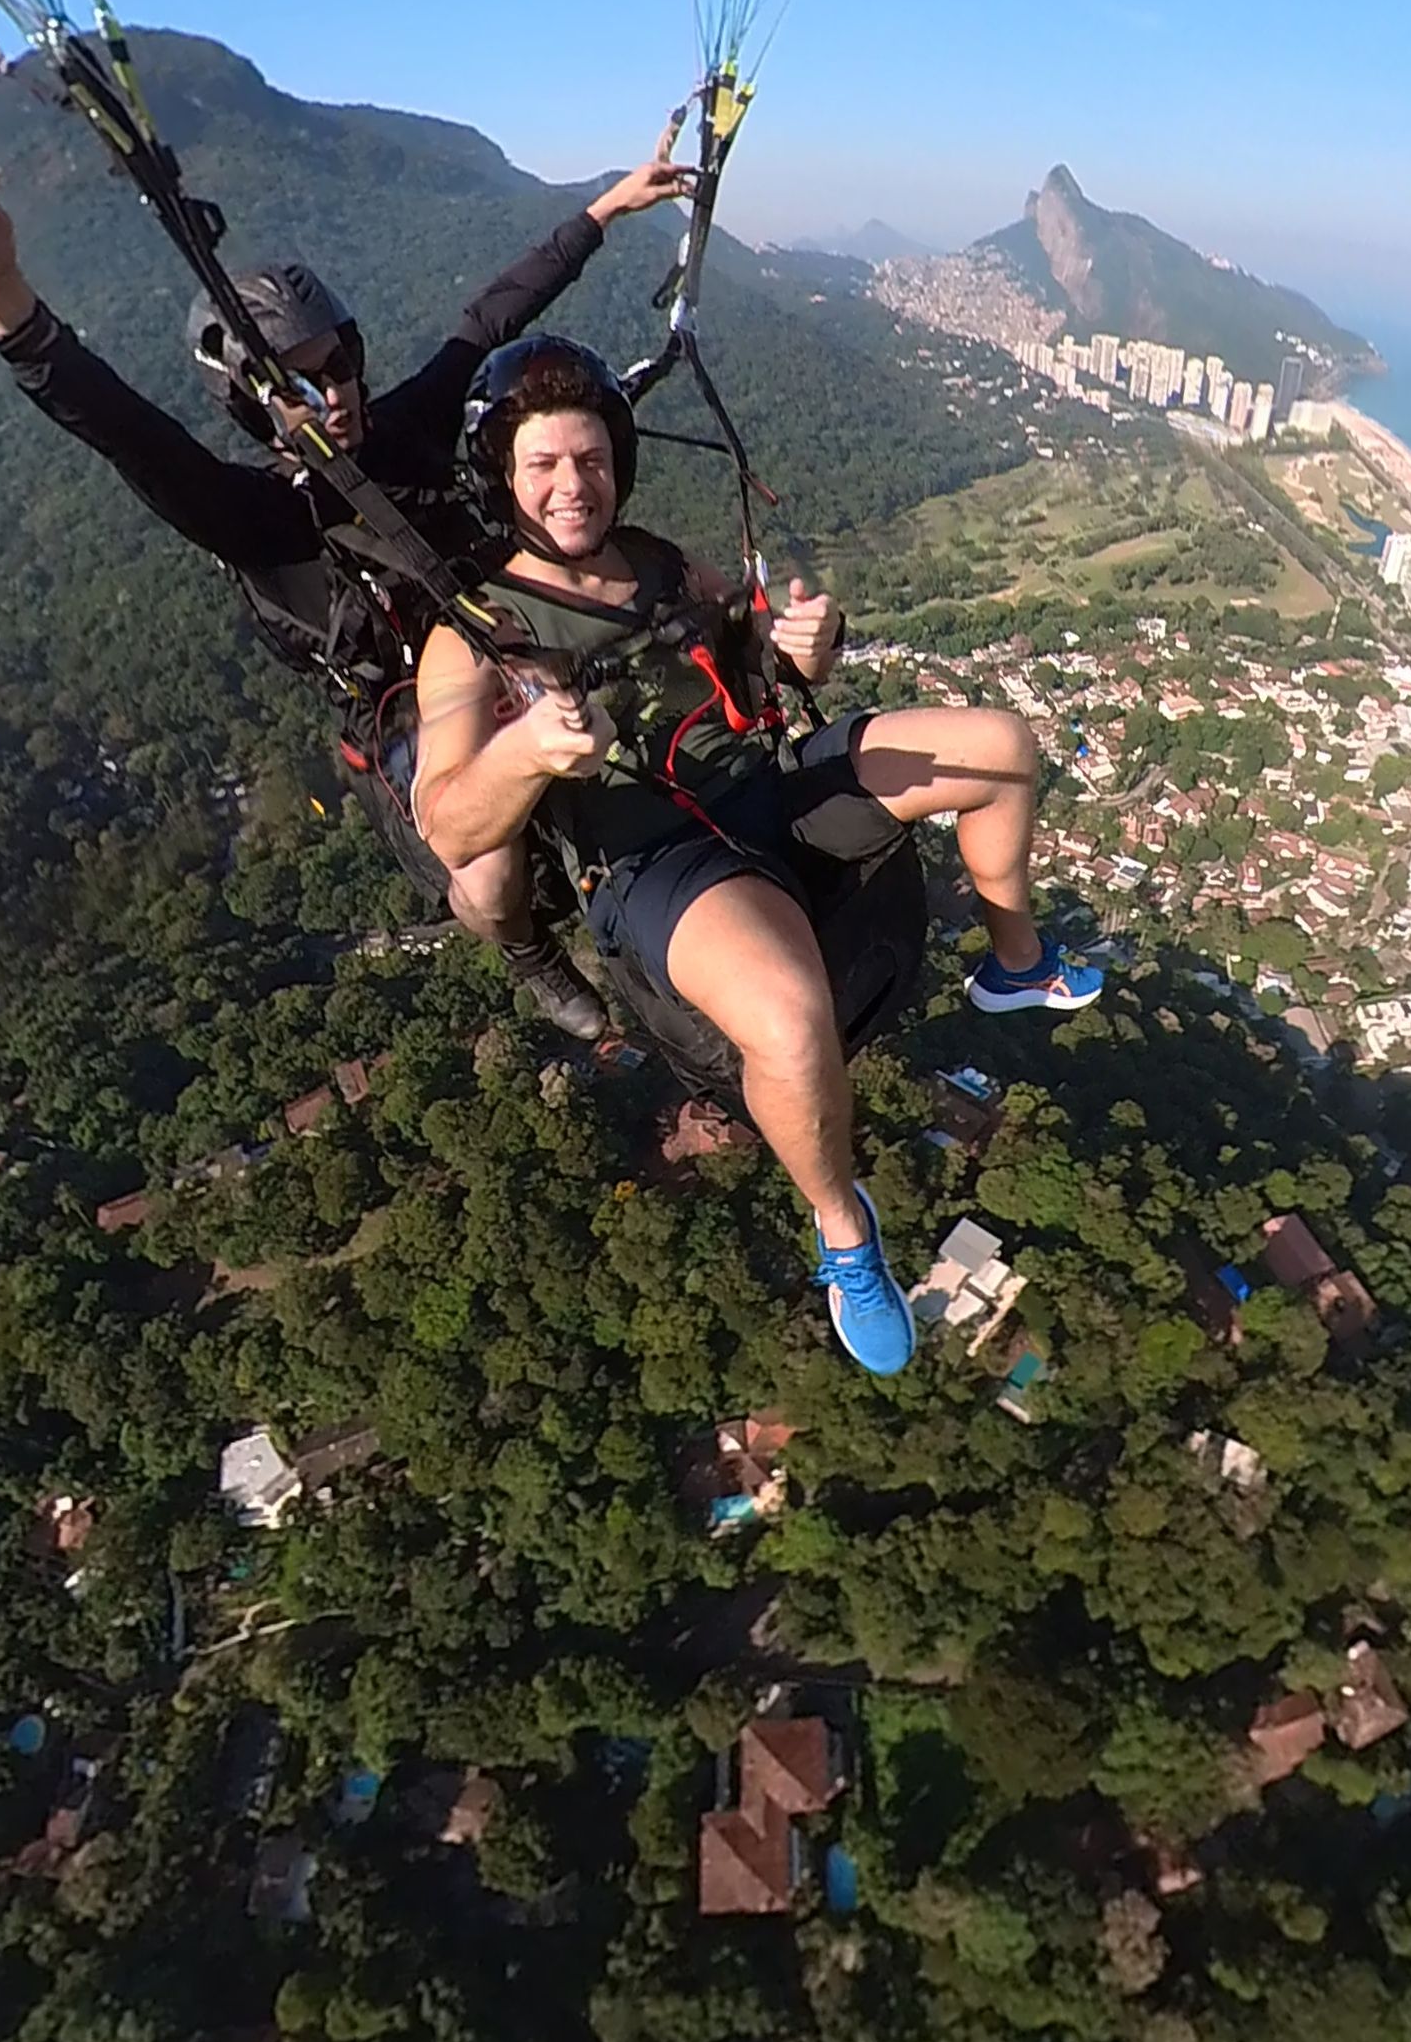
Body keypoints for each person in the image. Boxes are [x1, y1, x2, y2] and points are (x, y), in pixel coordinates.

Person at [410, 334, 1103, 1376]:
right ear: (503, 476)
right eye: (544, 464)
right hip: (653, 853)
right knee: (786, 1015)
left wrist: (804, 645)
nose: (572, 486)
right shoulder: (475, 636)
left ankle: (1015, 963)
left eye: (589, 459)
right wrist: (523, 751)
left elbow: (749, 659)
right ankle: (844, 1228)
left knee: (1001, 749)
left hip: (762, 784)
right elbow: (450, 825)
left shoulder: (659, 564)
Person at [0, 135, 693, 1035]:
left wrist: (605, 210)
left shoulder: (403, 426)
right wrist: (7, 302)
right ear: (251, 400)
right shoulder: (254, 519)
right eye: (305, 381)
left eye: (341, 363)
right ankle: (525, 948)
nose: (337, 391)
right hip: (405, 716)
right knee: (493, 874)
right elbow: (126, 430)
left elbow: (492, 318)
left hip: (511, 640)